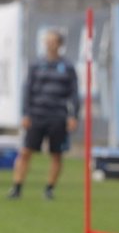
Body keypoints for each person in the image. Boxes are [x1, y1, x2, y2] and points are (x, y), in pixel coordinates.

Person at [7, 29, 79, 200]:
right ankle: (17, 187)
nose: (49, 43)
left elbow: (74, 93)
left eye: (53, 40)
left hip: (58, 116)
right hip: (37, 114)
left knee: (56, 154)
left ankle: (49, 189)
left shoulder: (68, 67)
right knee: (25, 151)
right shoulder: (36, 65)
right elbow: (28, 90)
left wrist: (73, 115)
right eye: (47, 40)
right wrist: (25, 114)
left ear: (59, 44)